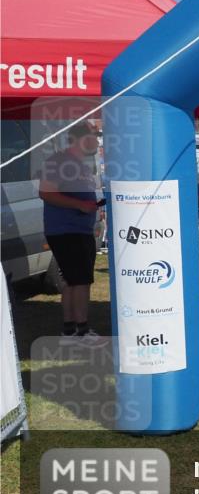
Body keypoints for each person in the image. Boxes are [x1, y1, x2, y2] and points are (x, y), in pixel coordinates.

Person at [38, 122, 102, 340]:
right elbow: (46, 192)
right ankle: (81, 331)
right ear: (78, 139)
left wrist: (93, 206)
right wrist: (79, 205)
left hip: (80, 230)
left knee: (73, 281)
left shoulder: (82, 165)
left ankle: (70, 328)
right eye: (93, 136)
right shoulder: (58, 161)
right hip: (66, 231)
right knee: (81, 281)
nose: (97, 140)